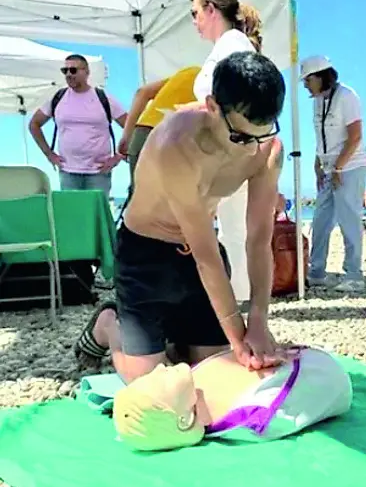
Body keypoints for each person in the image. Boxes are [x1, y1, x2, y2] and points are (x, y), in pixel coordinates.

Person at [73, 51, 286, 384]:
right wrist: (239, 339)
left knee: (213, 372)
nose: (251, 148)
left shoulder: (267, 149)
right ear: (213, 106)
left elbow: (258, 237)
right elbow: (207, 259)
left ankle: (169, 336)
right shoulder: (178, 142)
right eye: (242, 137)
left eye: (263, 133)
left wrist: (258, 319)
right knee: (150, 384)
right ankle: (108, 326)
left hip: (196, 254)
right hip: (145, 253)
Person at [114, 345, 353, 450]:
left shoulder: (193, 381)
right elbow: (320, 381)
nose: (159, 370)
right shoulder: (255, 417)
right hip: (324, 373)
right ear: (182, 420)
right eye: (158, 383)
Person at [189, 0, 265, 303]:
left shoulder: (234, 43)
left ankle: (239, 301)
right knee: (229, 228)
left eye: (195, 13)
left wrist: (193, 109)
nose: (194, 21)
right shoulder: (228, 45)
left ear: (211, 9)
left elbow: (238, 98)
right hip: (224, 147)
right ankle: (237, 299)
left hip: (230, 148)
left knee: (232, 229)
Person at [301, 55, 366, 293]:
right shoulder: (317, 101)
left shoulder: (347, 96)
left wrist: (339, 165)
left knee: (349, 219)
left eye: (307, 80)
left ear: (320, 76)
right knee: (320, 220)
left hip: (350, 165)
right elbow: (321, 136)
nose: (305, 85)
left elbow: (355, 135)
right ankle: (316, 271)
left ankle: (354, 275)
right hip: (330, 166)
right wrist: (318, 164)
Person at [29, 54, 127, 197]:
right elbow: (34, 124)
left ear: (86, 72)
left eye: (73, 70)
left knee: (96, 215)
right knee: (72, 215)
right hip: (68, 172)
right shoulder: (58, 98)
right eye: (65, 71)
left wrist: (119, 156)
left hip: (98, 173)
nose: (69, 74)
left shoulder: (103, 98)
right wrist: (49, 154)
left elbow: (130, 126)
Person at [117, 66, 201, 191]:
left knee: (140, 196)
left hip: (142, 132)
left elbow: (142, 92)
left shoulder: (191, 71)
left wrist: (127, 135)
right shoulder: (215, 83)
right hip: (171, 137)